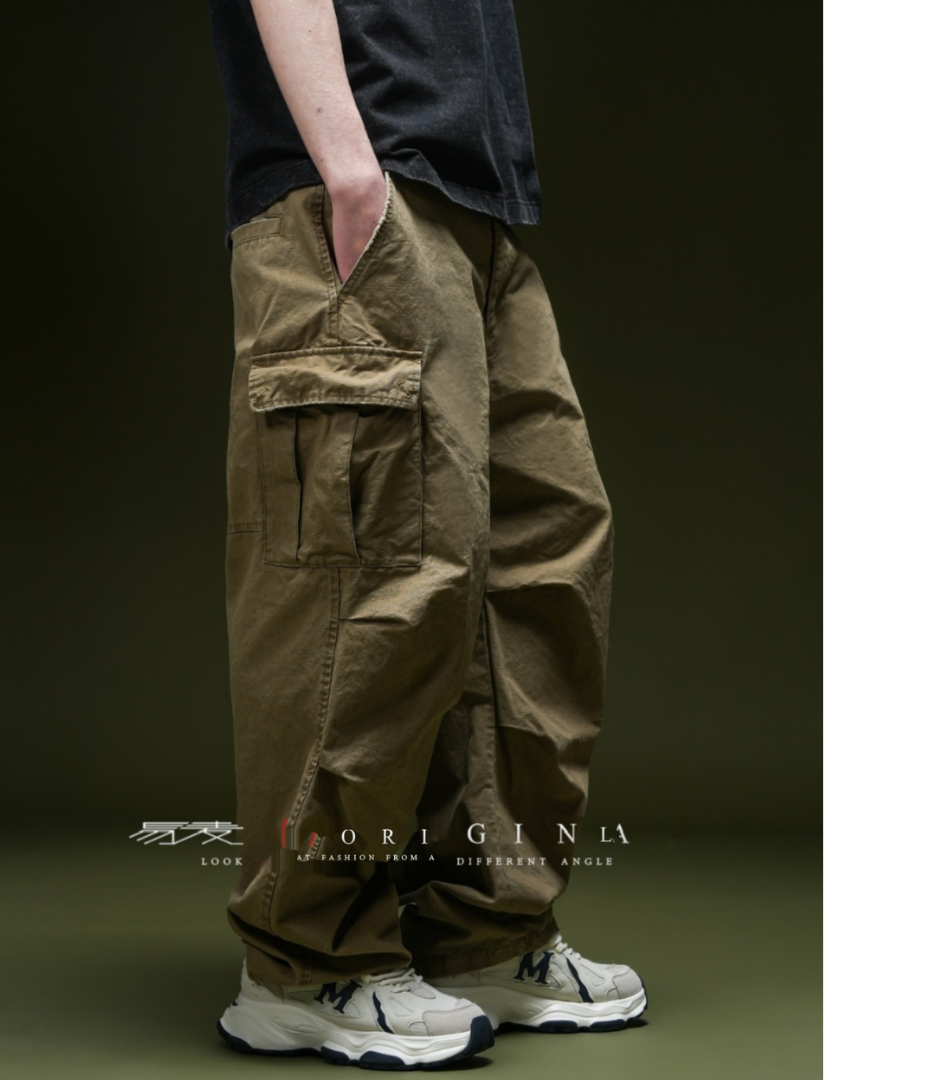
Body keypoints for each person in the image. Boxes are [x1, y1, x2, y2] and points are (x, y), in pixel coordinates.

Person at [208, 0, 646, 1068]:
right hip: (357, 191)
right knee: (366, 582)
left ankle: (484, 928)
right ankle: (306, 958)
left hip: (474, 209)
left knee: (537, 567)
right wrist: (349, 172)